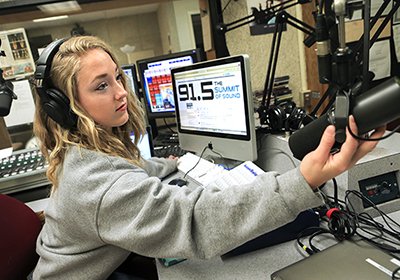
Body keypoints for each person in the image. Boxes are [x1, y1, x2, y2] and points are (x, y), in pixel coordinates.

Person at [31, 35, 385, 280]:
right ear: (64, 107)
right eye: (101, 85)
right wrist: (303, 181)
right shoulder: (100, 188)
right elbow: (195, 221)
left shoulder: (84, 152)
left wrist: (175, 163)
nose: (122, 92)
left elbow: (132, 169)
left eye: (118, 77)